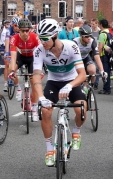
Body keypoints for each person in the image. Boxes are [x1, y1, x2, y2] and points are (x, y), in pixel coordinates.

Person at [32, 19, 87, 166]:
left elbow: (82, 74)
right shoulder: (39, 50)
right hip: (54, 83)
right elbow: (36, 76)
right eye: (39, 38)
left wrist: (70, 85)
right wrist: (41, 97)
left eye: (45, 38)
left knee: (81, 109)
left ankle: (76, 131)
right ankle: (50, 149)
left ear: (55, 35)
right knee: (46, 111)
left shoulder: (71, 47)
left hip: (72, 80)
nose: (42, 42)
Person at [8, 18, 41, 121]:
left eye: (27, 30)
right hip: (21, 57)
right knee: (10, 68)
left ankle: (34, 108)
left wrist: (39, 70)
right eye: (23, 31)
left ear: (30, 30)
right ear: (19, 30)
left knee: (34, 83)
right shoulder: (14, 38)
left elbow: (40, 54)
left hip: (32, 59)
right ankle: (18, 88)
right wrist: (13, 71)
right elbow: (13, 57)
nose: (25, 33)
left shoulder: (35, 37)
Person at [73, 25, 107, 92]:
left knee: (92, 70)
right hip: (76, 60)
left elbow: (97, 57)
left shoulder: (92, 41)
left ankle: (89, 88)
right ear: (81, 36)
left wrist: (102, 71)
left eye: (90, 35)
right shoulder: (75, 42)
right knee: (78, 74)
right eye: (86, 36)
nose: (89, 38)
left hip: (86, 57)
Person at [98, 19, 112, 95]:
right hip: (109, 54)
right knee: (108, 72)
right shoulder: (109, 33)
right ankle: (107, 87)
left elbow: (100, 47)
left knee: (105, 72)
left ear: (101, 25)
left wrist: (98, 56)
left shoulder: (102, 34)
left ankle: (106, 89)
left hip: (104, 55)